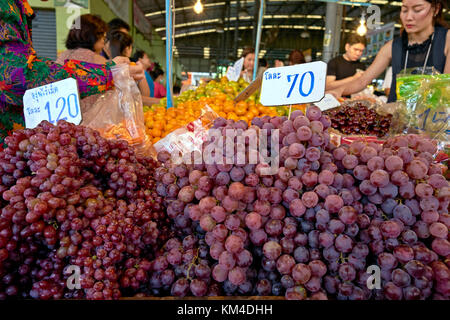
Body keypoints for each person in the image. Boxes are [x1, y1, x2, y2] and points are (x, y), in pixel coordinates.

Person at [0, 0, 144, 145]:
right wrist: (110, 72)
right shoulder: (5, 5)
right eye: (102, 37)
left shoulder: (62, 55)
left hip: (42, 135)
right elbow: (15, 74)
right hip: (78, 130)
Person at [329, 0, 449, 102]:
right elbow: (362, 80)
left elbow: (446, 91)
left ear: (436, 9)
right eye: (404, 10)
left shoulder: (446, 40)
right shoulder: (393, 46)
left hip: (435, 124)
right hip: (397, 122)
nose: (408, 17)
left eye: (417, 10)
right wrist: (338, 91)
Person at [56, 14, 108, 113]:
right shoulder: (98, 61)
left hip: (60, 119)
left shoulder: (61, 57)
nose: (103, 42)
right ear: (91, 36)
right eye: (102, 37)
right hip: (89, 122)